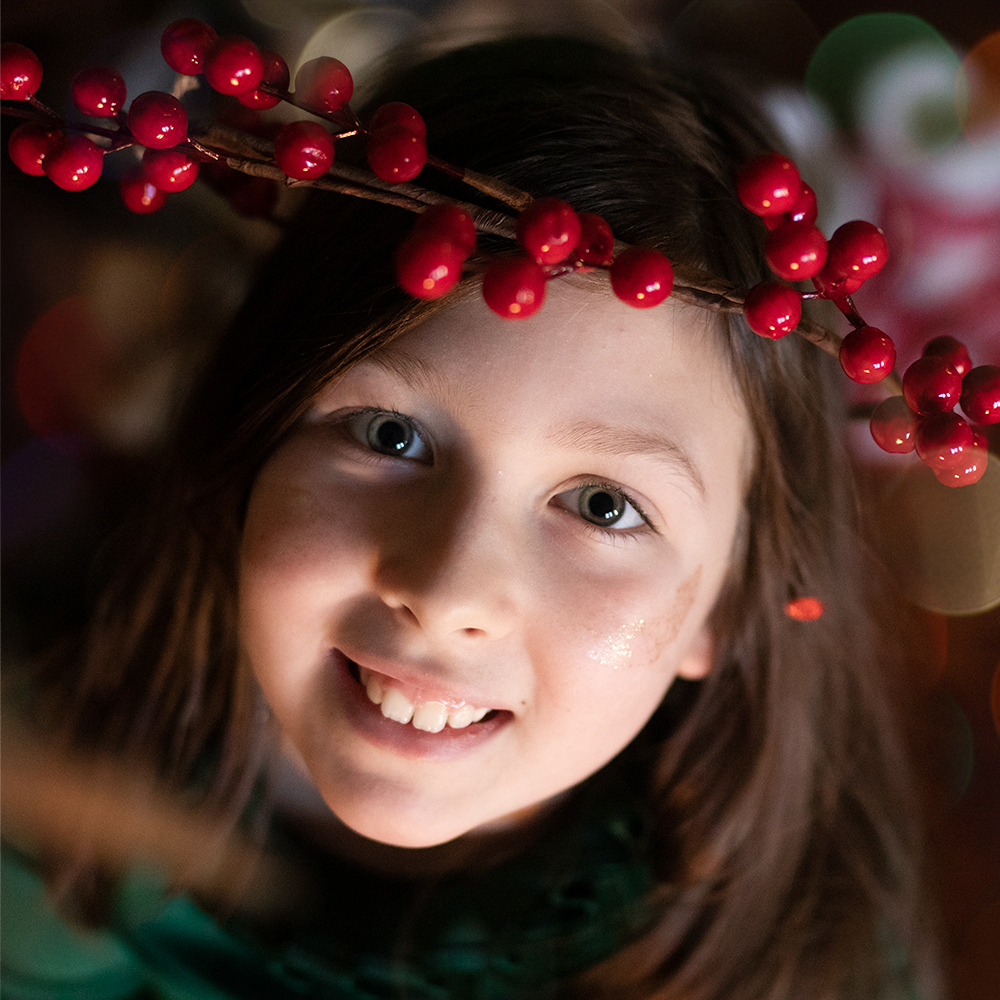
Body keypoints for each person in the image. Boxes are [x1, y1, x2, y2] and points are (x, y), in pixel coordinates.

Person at [0, 29, 941, 1000]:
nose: (448, 591)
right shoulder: (28, 788)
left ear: (727, 603)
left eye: (603, 504)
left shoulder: (816, 969)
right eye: (390, 436)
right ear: (259, 423)